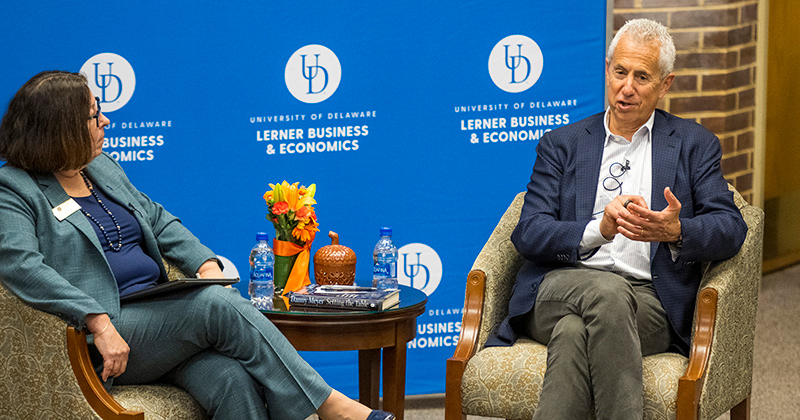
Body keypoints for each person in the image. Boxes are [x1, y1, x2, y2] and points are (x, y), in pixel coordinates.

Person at [0, 70, 395, 420]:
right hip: (103, 332)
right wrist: (96, 320)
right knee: (214, 305)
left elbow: (157, 218)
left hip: (159, 316)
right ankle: (334, 408)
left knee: (230, 379)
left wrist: (204, 264)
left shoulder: (100, 168)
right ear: (60, 128)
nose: (105, 119)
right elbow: (21, 265)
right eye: (92, 115)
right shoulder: (15, 189)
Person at [483, 19, 748, 420]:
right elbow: (529, 232)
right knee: (606, 291)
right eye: (620, 72)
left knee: (573, 334)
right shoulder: (564, 144)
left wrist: (676, 231)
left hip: (649, 300)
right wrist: (598, 230)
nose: (627, 87)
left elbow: (732, 228)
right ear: (607, 70)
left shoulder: (694, 145)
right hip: (559, 286)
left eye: (642, 77)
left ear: (665, 84)